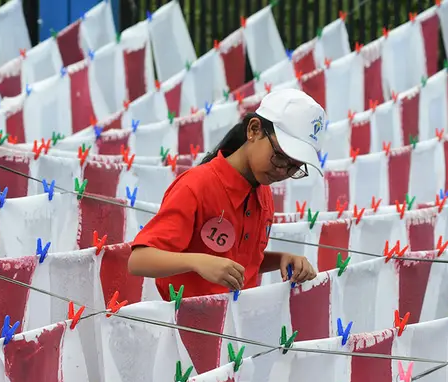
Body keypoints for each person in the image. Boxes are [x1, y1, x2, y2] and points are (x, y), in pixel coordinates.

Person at [128, 88, 324, 299]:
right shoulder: (196, 186)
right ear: (254, 130)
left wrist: (281, 259)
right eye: (279, 157)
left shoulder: (263, 194)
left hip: (237, 322)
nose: (283, 171)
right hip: (188, 323)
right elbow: (139, 260)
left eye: (295, 167)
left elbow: (240, 262)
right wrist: (197, 262)